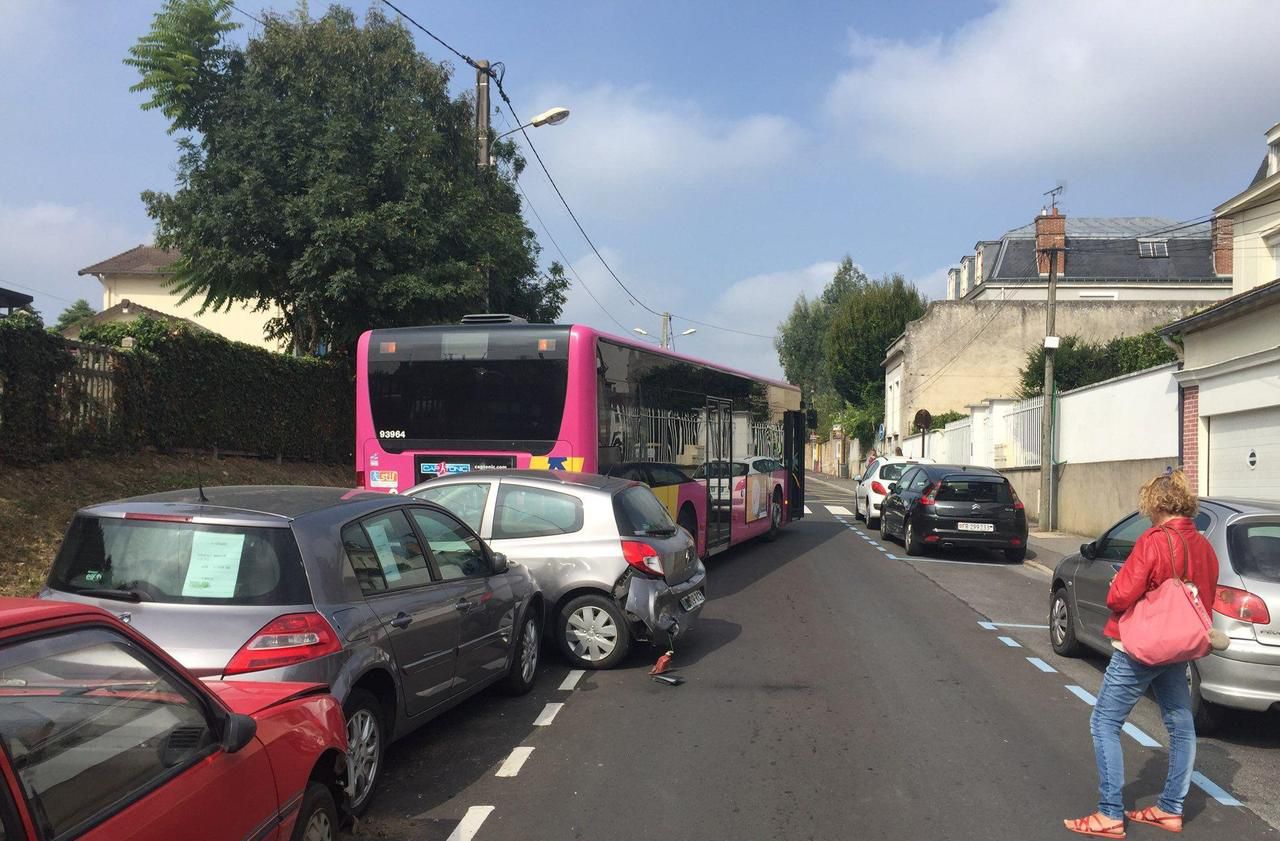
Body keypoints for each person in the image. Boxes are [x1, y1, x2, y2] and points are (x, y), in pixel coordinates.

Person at [1064, 470, 1219, 838]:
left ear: (1156, 504)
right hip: (1178, 649)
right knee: (1181, 725)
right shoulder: (1204, 546)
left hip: (1142, 648)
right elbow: (1206, 598)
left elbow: (1118, 596)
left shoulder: (1153, 540)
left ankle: (1110, 814)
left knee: (1104, 722)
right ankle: (1170, 808)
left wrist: (1121, 581)